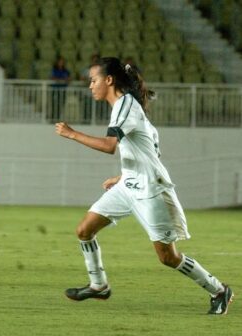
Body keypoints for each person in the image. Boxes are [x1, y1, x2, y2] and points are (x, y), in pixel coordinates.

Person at [54, 57, 233, 315]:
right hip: (129, 185)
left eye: (93, 80)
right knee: (84, 230)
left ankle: (218, 290)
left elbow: (109, 146)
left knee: (167, 257)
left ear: (109, 80)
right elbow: (149, 153)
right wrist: (122, 176)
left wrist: (72, 133)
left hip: (151, 190)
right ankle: (99, 285)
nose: (90, 85)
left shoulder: (126, 104)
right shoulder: (125, 108)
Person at [49, 56, 71, 122]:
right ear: (57, 62)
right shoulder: (54, 70)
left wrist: (64, 80)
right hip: (55, 89)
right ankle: (52, 118)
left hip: (63, 90)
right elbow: (53, 78)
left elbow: (69, 79)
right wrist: (62, 80)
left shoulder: (66, 70)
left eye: (62, 62)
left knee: (61, 105)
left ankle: (57, 118)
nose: (61, 63)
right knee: (54, 104)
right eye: (60, 62)